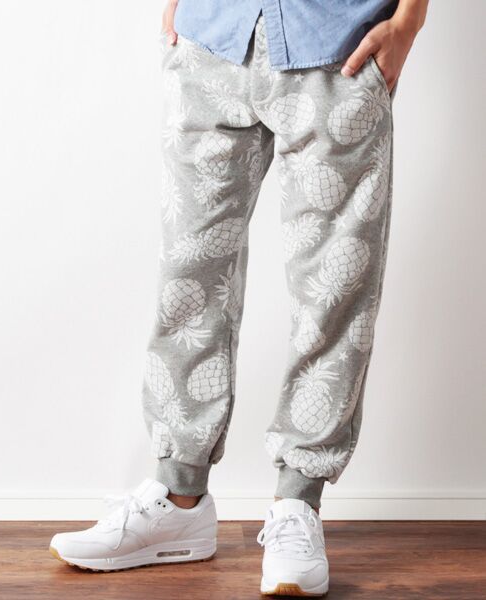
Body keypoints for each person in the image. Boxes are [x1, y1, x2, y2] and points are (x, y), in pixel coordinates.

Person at [49, 0, 428, 595]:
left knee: (333, 289)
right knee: (187, 274)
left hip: (339, 44)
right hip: (212, 37)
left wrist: (409, 21)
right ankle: (178, 499)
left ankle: (298, 504)